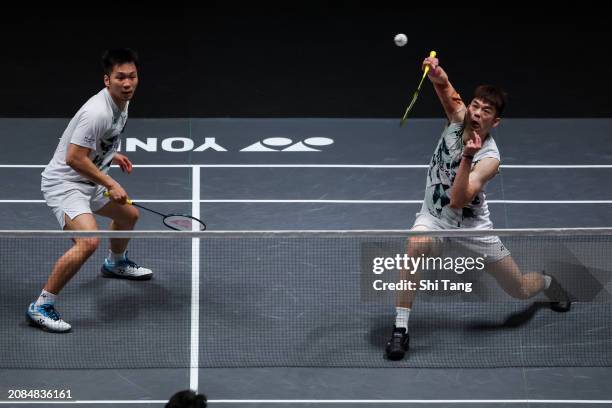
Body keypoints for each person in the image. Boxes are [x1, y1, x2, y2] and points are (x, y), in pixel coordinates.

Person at [385, 55, 571, 360]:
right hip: (433, 218)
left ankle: (549, 282)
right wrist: (436, 72)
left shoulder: (489, 159)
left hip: (474, 229)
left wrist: (468, 157)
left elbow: (458, 200)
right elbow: (446, 91)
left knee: (520, 289)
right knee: (415, 245)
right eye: (475, 105)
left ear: (494, 122)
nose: (477, 112)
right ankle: (400, 329)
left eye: (486, 111)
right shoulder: (458, 121)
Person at [27, 48, 152, 333]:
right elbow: (73, 157)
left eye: (132, 76)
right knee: (88, 242)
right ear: (107, 80)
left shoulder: (122, 101)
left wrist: (110, 155)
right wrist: (110, 182)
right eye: (120, 77)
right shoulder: (97, 111)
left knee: (128, 216)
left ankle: (115, 263)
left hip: (89, 178)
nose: (127, 83)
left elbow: (91, 141)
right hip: (66, 183)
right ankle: (41, 305)